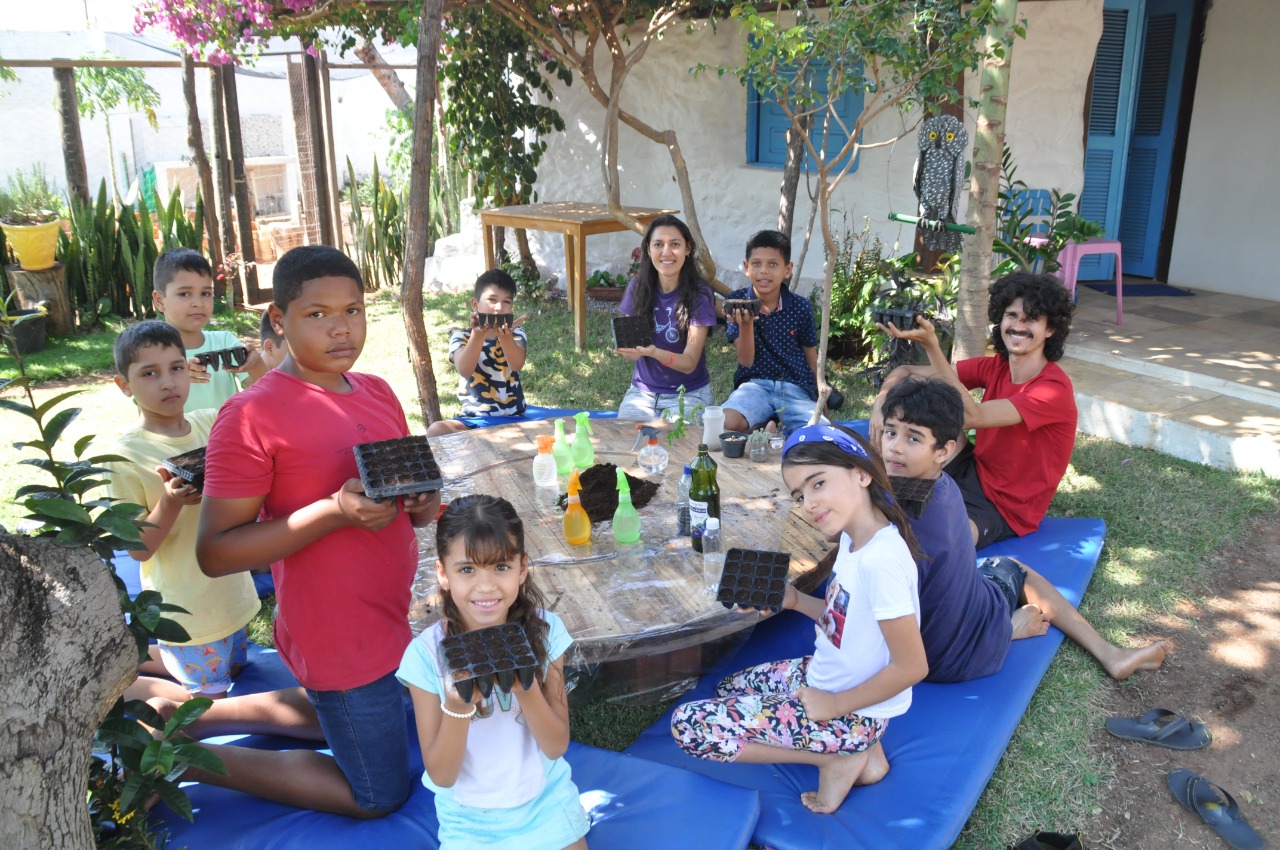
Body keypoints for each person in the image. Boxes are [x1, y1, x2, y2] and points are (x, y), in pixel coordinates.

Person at [193, 245, 439, 817]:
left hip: (392, 615)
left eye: (353, 310)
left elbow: (413, 509)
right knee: (377, 795)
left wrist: (422, 500)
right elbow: (214, 552)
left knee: (379, 704)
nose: (341, 328)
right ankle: (186, 757)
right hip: (336, 632)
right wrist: (331, 512)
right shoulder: (250, 416)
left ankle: (201, 717)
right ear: (279, 320)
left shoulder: (376, 391)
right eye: (317, 314)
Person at [670, 424, 927, 815]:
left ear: (862, 474)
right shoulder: (854, 539)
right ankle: (866, 755)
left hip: (850, 710)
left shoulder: (881, 562)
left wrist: (834, 704)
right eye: (800, 495)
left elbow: (912, 666)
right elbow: (844, 621)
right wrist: (793, 600)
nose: (808, 503)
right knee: (728, 689)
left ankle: (835, 758)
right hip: (826, 679)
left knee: (688, 727)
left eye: (818, 483)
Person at [879, 376, 1170, 682]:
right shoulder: (942, 487)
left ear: (944, 451)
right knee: (992, 571)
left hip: (945, 655)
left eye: (913, 439)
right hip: (943, 646)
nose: (895, 448)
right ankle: (1104, 651)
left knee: (1008, 567)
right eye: (890, 432)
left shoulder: (900, 513)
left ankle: (1007, 629)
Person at [398, 495, 590, 850]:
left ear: (522, 568)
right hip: (469, 821)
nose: (485, 586)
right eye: (467, 569)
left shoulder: (546, 632)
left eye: (501, 566)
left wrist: (525, 687)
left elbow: (555, 745)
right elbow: (442, 775)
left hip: (546, 804)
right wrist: (457, 706)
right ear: (443, 573)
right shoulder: (424, 657)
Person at [104, 320, 260, 703]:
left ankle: (145, 661)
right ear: (124, 385)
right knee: (209, 705)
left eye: (176, 368)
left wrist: (256, 366)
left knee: (234, 671)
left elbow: (267, 409)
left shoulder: (210, 422)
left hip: (232, 596)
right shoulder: (124, 456)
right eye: (149, 373)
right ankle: (133, 685)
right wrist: (170, 502)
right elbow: (138, 549)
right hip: (187, 611)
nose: (168, 383)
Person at [871, 271, 1077, 548]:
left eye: (1031, 319)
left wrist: (932, 346)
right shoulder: (996, 366)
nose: (1019, 326)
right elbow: (905, 371)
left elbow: (971, 417)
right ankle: (886, 486)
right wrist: (880, 403)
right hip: (973, 468)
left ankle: (899, 497)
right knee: (903, 429)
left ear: (1050, 329)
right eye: (1012, 315)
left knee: (942, 543)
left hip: (1005, 507)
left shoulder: (1053, 389)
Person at [614, 215, 717, 420]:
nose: (666, 252)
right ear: (648, 249)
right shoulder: (638, 286)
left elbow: (689, 363)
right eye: (658, 244)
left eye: (675, 244)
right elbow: (631, 356)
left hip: (688, 394)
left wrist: (654, 353)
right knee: (627, 436)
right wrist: (628, 351)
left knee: (676, 437)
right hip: (642, 393)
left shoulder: (700, 294)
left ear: (687, 249)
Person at [722, 229, 824, 435]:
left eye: (773, 264)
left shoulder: (800, 306)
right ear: (746, 267)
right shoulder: (737, 302)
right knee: (726, 422)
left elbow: (812, 358)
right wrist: (746, 324)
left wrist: (822, 400)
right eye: (756, 264)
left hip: (794, 387)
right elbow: (746, 361)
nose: (764, 271)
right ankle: (766, 426)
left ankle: (774, 428)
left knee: (820, 432)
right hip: (754, 386)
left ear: (787, 269)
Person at [152, 248, 266, 412]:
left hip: (228, 429)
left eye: (205, 293)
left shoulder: (224, 342)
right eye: (184, 294)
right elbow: (147, 412)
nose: (198, 303)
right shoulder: (150, 354)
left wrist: (256, 365)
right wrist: (175, 375)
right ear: (159, 301)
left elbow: (269, 392)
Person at [427, 269, 529, 437]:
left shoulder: (516, 333)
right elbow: (464, 370)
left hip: (513, 419)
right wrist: (478, 335)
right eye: (492, 300)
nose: (499, 308)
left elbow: (517, 364)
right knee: (436, 430)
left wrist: (506, 338)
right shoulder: (461, 336)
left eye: (506, 302)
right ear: (475, 304)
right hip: (473, 420)